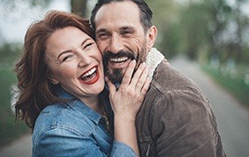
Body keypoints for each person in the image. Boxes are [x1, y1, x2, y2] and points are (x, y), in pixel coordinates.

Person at [90, 0, 226, 156]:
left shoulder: (176, 101)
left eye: (126, 33)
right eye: (104, 35)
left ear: (150, 37)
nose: (115, 47)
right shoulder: (103, 89)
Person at [14, 10, 151, 156]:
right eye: (67, 57)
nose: (86, 60)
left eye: (87, 46)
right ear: (51, 76)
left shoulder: (110, 88)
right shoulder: (57, 133)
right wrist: (124, 117)